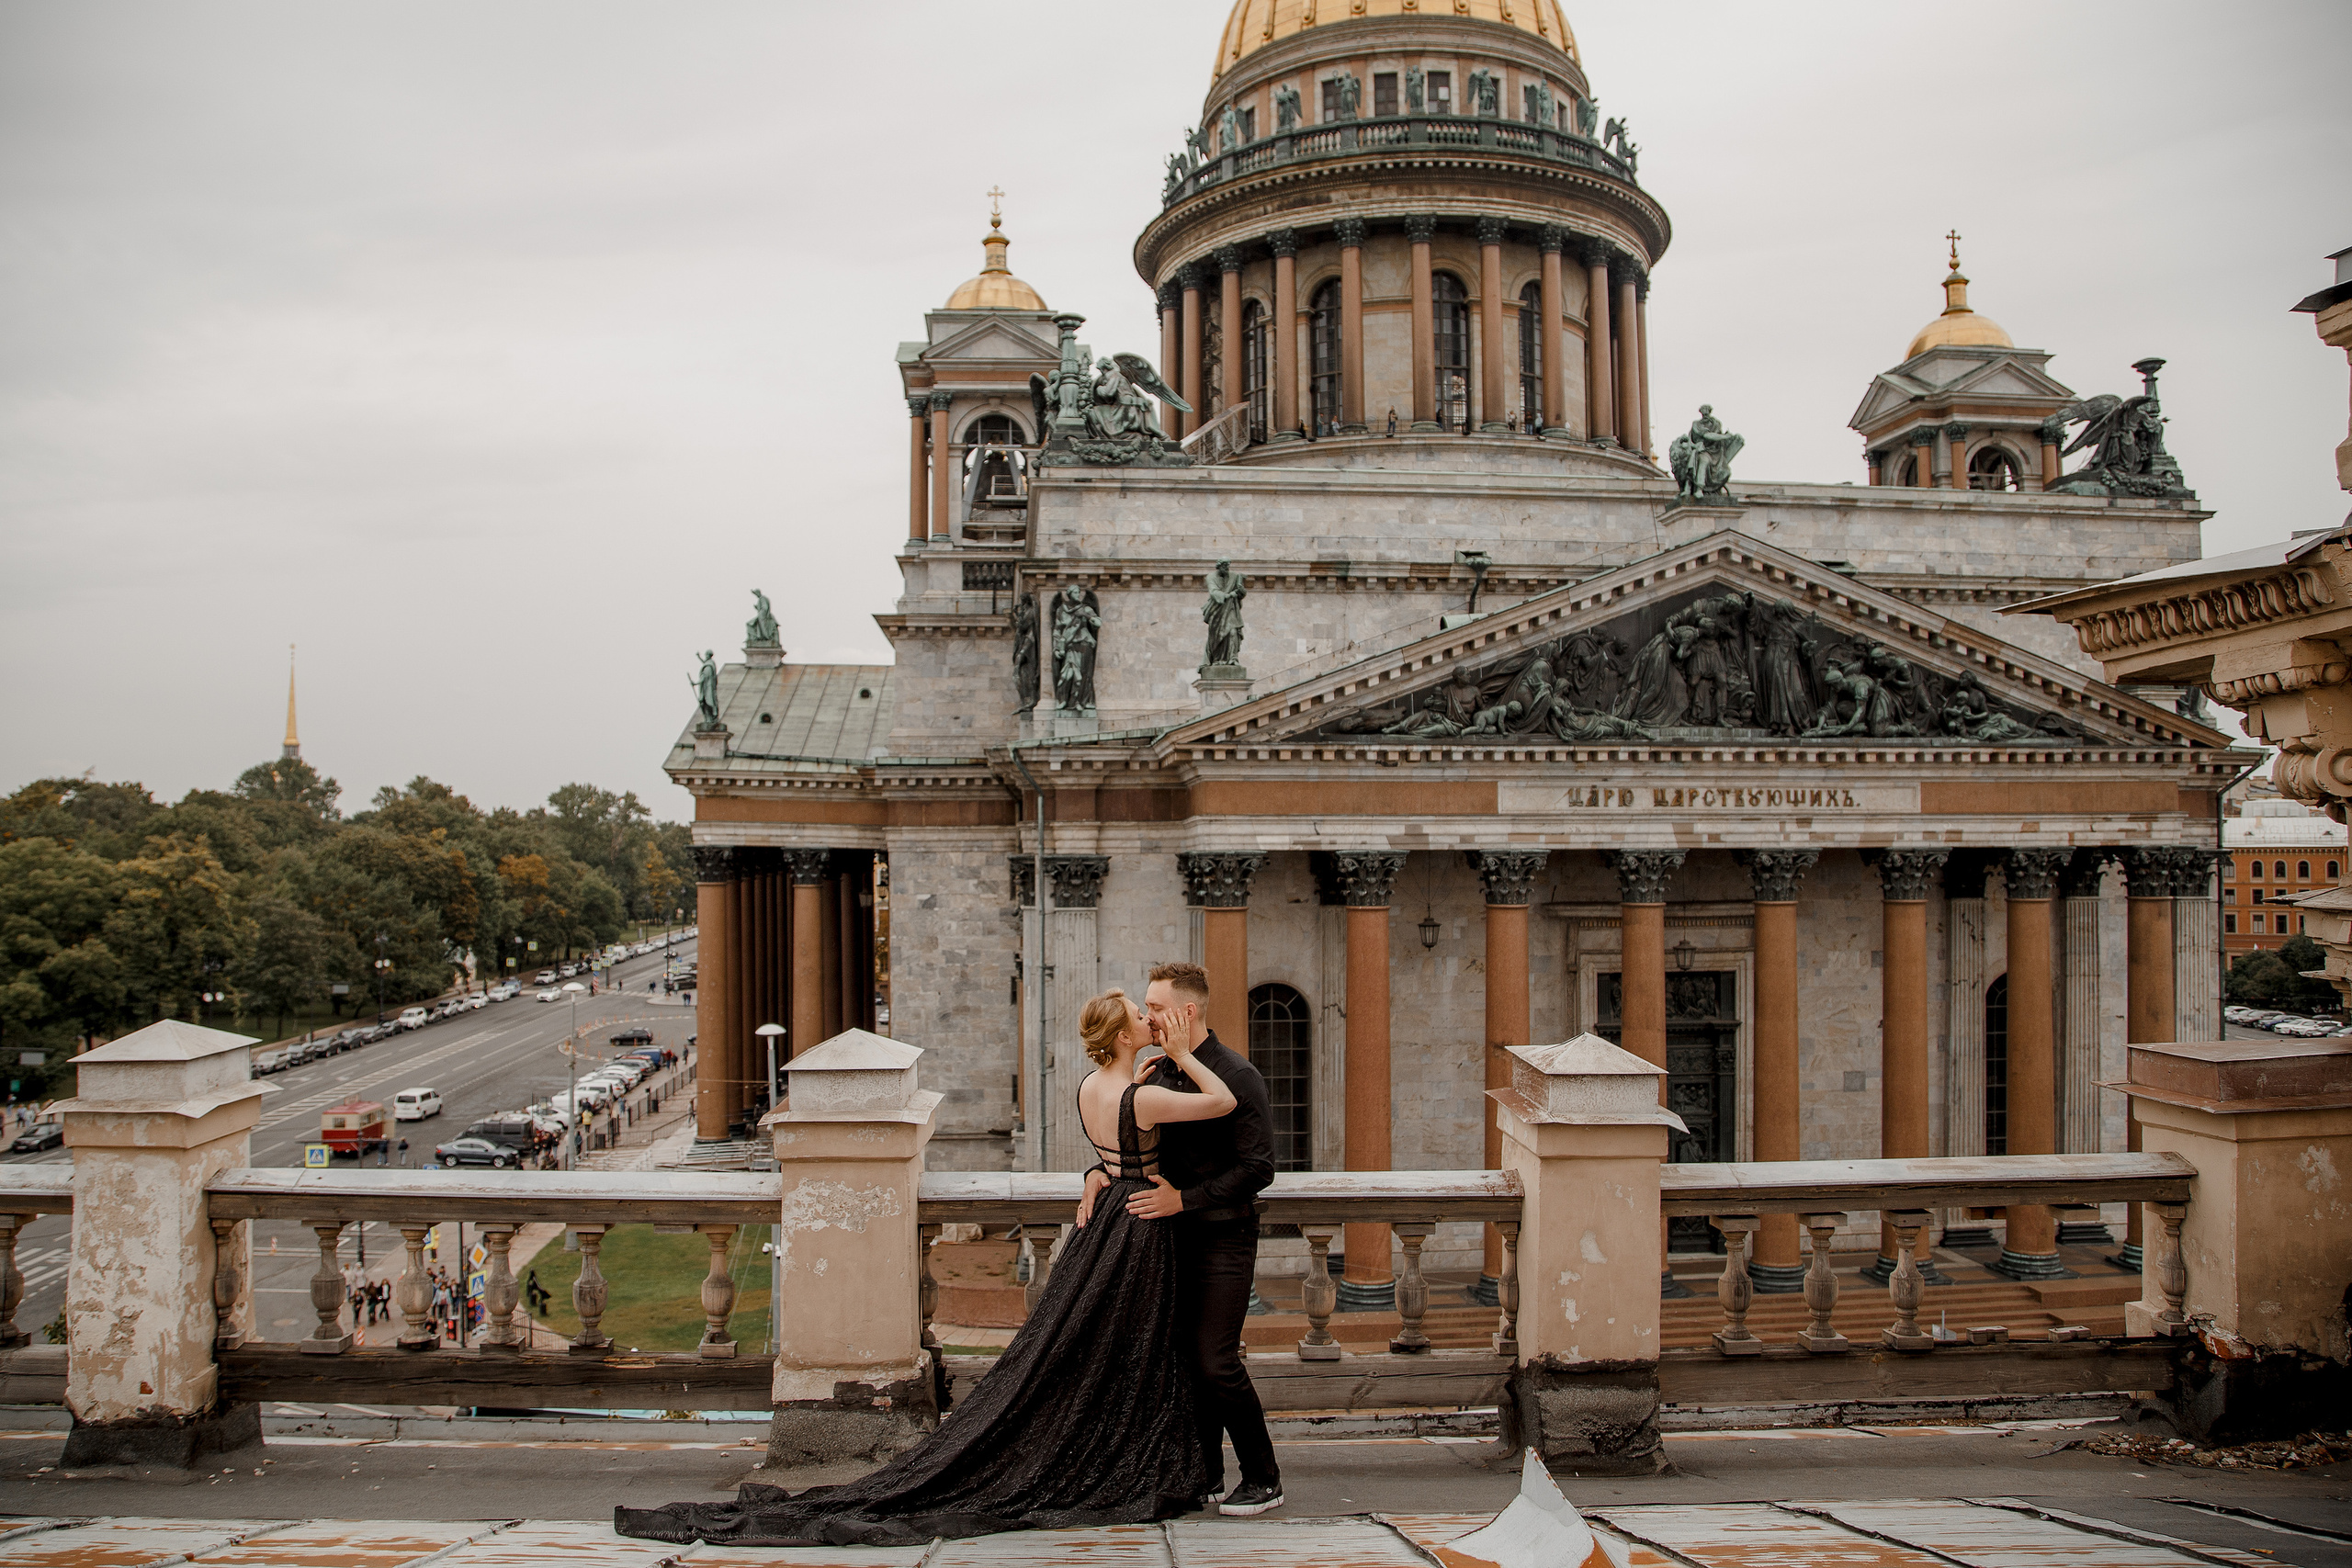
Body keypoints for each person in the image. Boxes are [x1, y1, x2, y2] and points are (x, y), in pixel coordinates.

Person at [614, 987, 1237, 1548]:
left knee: (1084, 1351)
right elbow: (1223, 1099)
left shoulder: (1090, 1087)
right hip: (1141, 1229)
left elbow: (1110, 1149)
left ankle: (1115, 1447)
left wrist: (1099, 1169)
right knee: (1137, 1349)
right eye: (1139, 1017)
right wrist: (1183, 1054)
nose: (1149, 1021)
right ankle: (1135, 1455)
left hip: (1100, 1226)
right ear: (1126, 1036)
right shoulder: (1147, 1094)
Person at [1087, 960, 1282, 1517]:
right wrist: (1094, 1175)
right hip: (1169, 1239)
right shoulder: (1159, 1073)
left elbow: (1259, 1168)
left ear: (1186, 1011)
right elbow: (1131, 1143)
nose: (1148, 1015)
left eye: (1155, 1006)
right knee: (1183, 1359)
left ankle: (1265, 1478)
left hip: (1224, 1238)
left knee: (1215, 1360)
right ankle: (1206, 1473)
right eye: (1144, 1007)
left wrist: (1185, 1199)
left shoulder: (1238, 1076)